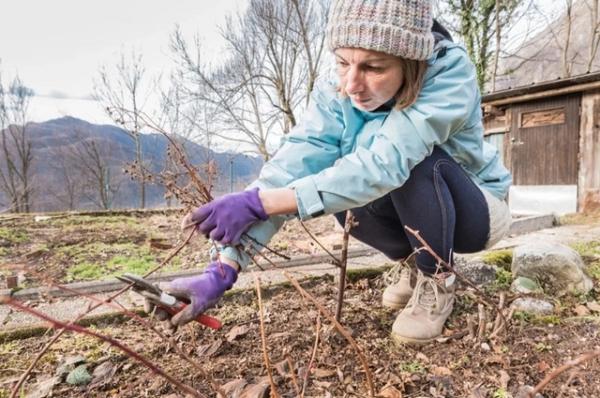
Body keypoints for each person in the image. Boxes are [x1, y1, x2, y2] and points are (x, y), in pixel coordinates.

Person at [153, 0, 512, 345]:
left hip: (476, 211)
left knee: (415, 163)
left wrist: (263, 204)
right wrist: (225, 266)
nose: (352, 84)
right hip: (409, 204)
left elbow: (386, 162)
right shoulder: (336, 93)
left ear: (411, 63)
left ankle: (437, 278)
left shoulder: (449, 73)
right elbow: (289, 168)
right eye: (343, 63)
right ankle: (412, 264)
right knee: (336, 192)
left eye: (374, 68)